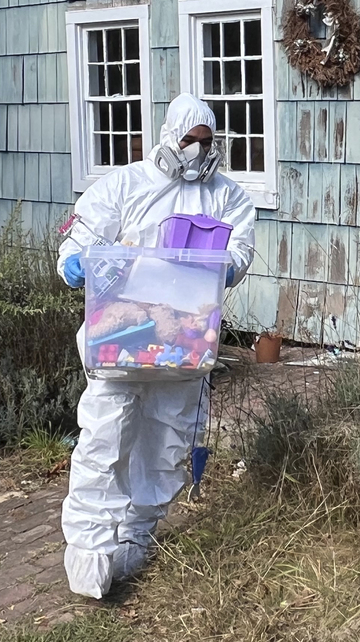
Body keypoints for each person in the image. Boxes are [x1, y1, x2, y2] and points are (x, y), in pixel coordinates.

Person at [56, 93, 256, 598]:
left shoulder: (227, 195)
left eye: (206, 143)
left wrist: (224, 265)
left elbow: (239, 251)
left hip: (184, 345)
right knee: (105, 438)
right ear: (169, 136)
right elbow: (79, 240)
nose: (196, 151)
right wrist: (75, 263)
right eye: (189, 140)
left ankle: (136, 539)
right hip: (120, 341)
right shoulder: (126, 184)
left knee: (166, 442)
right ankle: (91, 553)